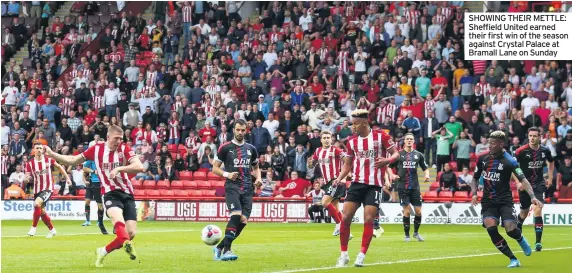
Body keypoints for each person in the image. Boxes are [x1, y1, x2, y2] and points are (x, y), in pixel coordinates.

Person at [43, 125, 145, 268]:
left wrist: (120, 168)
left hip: (127, 193)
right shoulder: (96, 149)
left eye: (121, 139)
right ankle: (127, 244)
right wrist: (53, 154)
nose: (119, 142)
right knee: (117, 219)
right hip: (109, 193)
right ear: (108, 137)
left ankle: (103, 251)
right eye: (116, 138)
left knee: (131, 233)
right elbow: (73, 160)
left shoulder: (124, 149)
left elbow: (139, 166)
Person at [334, 109, 399, 267]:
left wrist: (387, 161)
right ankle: (344, 255)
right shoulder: (351, 142)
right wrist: (339, 178)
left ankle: (361, 254)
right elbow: (348, 164)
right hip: (356, 184)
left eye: (355, 123)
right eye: (352, 123)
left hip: (374, 185)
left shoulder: (381, 136)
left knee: (368, 219)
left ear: (364, 122)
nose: (353, 126)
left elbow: (397, 153)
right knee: (345, 218)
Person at [471, 131, 537, 268]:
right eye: (489, 143)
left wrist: (533, 197)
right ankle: (513, 259)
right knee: (491, 229)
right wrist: (473, 193)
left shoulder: (510, 161)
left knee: (510, 230)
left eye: (493, 143)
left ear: (501, 144)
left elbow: (523, 180)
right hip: (488, 201)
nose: (489, 146)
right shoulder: (482, 158)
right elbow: (475, 178)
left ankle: (520, 238)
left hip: (505, 200)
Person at [212, 120, 263, 261]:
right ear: (233, 130)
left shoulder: (251, 149)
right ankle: (227, 250)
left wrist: (258, 179)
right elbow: (214, 168)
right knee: (236, 214)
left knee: (243, 221)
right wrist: (227, 174)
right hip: (232, 187)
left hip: (248, 189)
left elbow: (256, 168)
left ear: (246, 130)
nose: (240, 132)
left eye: (243, 130)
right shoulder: (225, 148)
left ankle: (219, 247)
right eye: (238, 130)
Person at [514, 127, 554, 251]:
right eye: (530, 135)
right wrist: (517, 182)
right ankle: (517, 228)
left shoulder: (545, 150)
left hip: (538, 184)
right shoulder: (521, 151)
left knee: (537, 209)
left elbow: (551, 162)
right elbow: (512, 167)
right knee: (524, 213)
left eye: (535, 136)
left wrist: (551, 177)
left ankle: (538, 243)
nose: (532, 138)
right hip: (525, 185)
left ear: (539, 137)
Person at [388, 133, 430, 242]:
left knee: (418, 212)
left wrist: (427, 175)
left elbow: (425, 168)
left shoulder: (419, 155)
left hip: (415, 187)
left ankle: (416, 233)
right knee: (406, 212)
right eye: (407, 139)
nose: (409, 141)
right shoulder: (398, 154)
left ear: (413, 141)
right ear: (404, 141)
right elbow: (388, 167)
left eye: (411, 139)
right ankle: (407, 235)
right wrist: (392, 175)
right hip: (402, 187)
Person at [25, 142, 72, 238]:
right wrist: (26, 179)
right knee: (41, 212)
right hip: (37, 189)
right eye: (37, 148)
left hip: (48, 188)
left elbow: (59, 167)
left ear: (43, 150)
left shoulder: (48, 160)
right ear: (34, 149)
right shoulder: (30, 163)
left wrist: (67, 177)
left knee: (37, 204)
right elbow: (27, 176)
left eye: (40, 148)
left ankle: (33, 228)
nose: (38, 150)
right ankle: (52, 230)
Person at [309, 130, 348, 235]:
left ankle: (339, 225)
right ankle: (345, 231)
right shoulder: (318, 151)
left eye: (328, 138)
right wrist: (310, 164)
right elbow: (312, 165)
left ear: (331, 139)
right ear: (321, 140)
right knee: (335, 208)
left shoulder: (336, 150)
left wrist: (343, 177)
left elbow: (348, 162)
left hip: (335, 181)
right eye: (324, 138)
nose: (326, 140)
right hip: (326, 183)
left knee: (325, 203)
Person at [83, 159, 109, 234]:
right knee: (87, 202)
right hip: (91, 183)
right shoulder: (91, 160)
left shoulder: (104, 160)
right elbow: (84, 169)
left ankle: (99, 222)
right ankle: (87, 221)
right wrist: (93, 172)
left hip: (99, 184)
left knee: (100, 205)